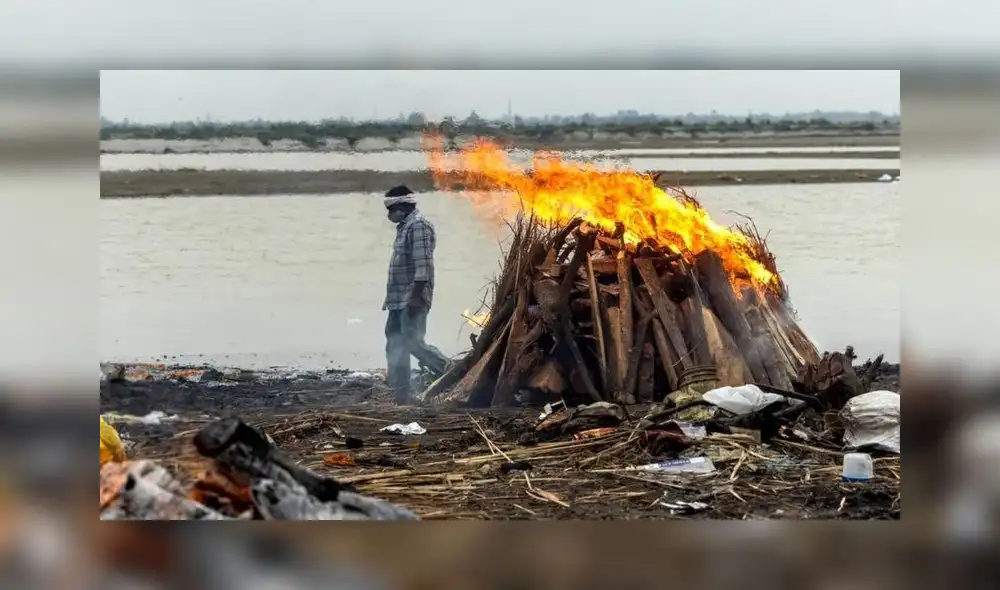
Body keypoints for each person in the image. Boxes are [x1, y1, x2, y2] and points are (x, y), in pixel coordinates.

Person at [381, 185, 451, 404]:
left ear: (403, 205)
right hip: (397, 298)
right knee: (394, 340)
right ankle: (400, 390)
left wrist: (415, 296)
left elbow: (423, 266)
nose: (389, 214)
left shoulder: (419, 226)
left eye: (391, 208)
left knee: (413, 342)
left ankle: (450, 373)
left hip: (412, 297)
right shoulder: (405, 227)